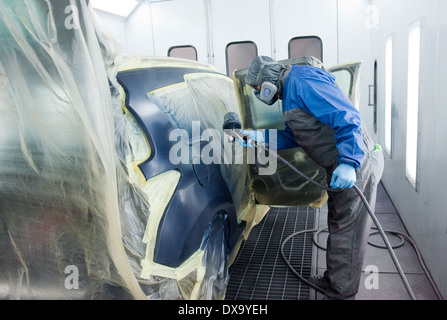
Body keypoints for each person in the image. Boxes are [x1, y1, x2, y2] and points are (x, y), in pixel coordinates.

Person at [239, 56, 384, 300]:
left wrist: (349, 163)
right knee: (340, 222)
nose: (257, 94)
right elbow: (299, 134)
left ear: (267, 81)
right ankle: (335, 279)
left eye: (256, 88)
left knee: (348, 228)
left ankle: (341, 291)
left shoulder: (303, 81)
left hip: (355, 164)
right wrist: (260, 136)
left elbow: (347, 117)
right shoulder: (291, 90)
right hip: (339, 163)